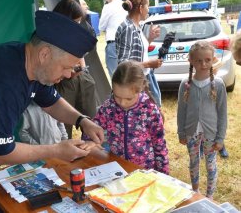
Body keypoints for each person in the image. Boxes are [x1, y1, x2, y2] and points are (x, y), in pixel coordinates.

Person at [0, 10, 104, 212]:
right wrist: (56, 150)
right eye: (66, 67)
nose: (70, 74)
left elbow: (51, 101)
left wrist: (82, 120)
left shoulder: (28, 61)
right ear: (45, 54)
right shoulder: (2, 85)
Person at [82, 61, 169, 174]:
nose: (122, 103)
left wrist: (164, 174)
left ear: (140, 89)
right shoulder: (109, 107)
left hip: (145, 171)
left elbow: (159, 144)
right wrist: (89, 140)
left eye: (128, 99)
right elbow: (92, 127)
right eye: (117, 96)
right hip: (117, 168)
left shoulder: (149, 109)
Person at [177, 41, 227, 199]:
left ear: (213, 59)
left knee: (210, 164)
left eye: (207, 59)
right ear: (190, 60)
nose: (203, 64)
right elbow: (181, 110)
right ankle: (195, 191)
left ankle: (210, 196)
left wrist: (220, 138)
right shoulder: (186, 84)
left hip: (210, 134)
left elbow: (222, 113)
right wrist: (181, 132)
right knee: (194, 162)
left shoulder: (218, 84)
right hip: (191, 132)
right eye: (198, 60)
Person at [53, 0, 97, 139]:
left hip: (81, 78)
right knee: (64, 127)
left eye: (79, 21)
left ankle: (95, 152)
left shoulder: (76, 33)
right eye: (75, 21)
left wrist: (82, 70)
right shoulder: (52, 34)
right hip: (63, 83)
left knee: (92, 121)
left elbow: (80, 54)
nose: (78, 25)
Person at [115, 0, 163, 107]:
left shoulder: (135, 26)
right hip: (135, 82)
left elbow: (137, 51)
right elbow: (123, 63)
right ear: (141, 8)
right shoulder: (128, 28)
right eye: (148, 6)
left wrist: (150, 38)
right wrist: (149, 64)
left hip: (143, 77)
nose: (148, 10)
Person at [99, 0, 127, 77]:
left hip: (113, 44)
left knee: (115, 76)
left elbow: (101, 27)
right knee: (126, 75)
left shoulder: (108, 7)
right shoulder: (125, 6)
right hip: (126, 43)